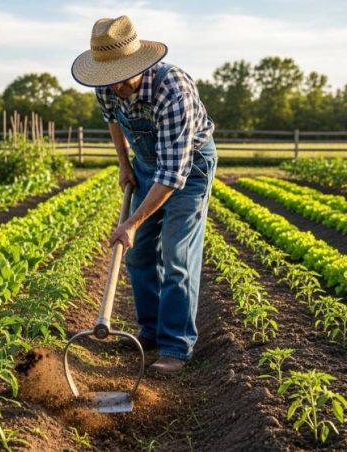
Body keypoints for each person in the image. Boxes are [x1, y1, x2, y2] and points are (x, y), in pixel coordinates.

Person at [71, 15, 217, 374]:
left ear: (140, 64)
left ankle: (176, 346)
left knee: (176, 254)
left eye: (123, 77)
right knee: (136, 258)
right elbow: (113, 121)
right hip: (146, 164)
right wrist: (124, 164)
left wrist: (132, 223)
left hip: (188, 168)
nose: (116, 87)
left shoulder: (173, 90)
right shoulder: (106, 84)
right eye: (109, 80)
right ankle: (150, 331)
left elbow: (172, 174)